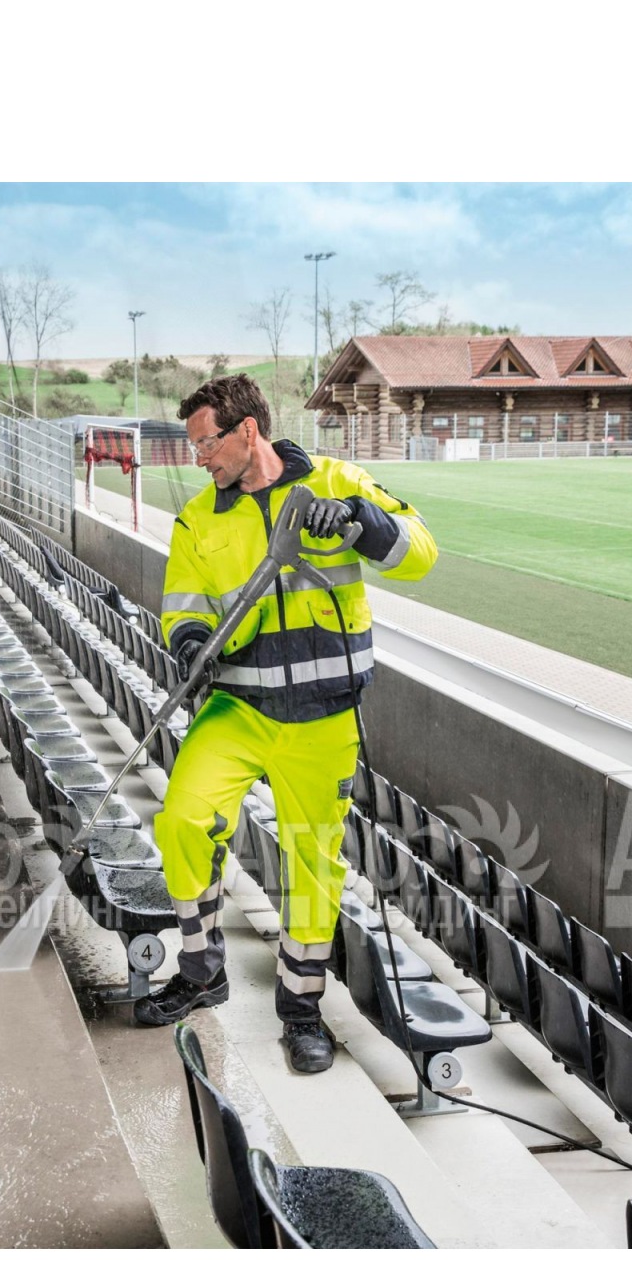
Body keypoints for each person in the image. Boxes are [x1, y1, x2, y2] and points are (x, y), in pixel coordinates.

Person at [133, 374, 437, 1073]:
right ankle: (201, 970)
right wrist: (189, 643)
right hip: (237, 707)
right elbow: (183, 604)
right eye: (193, 447)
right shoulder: (199, 519)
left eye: (206, 443)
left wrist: (359, 519)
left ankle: (302, 1010)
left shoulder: (337, 480)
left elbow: (420, 553)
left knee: (312, 865)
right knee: (182, 820)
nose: (199, 459)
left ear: (247, 431)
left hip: (324, 718)